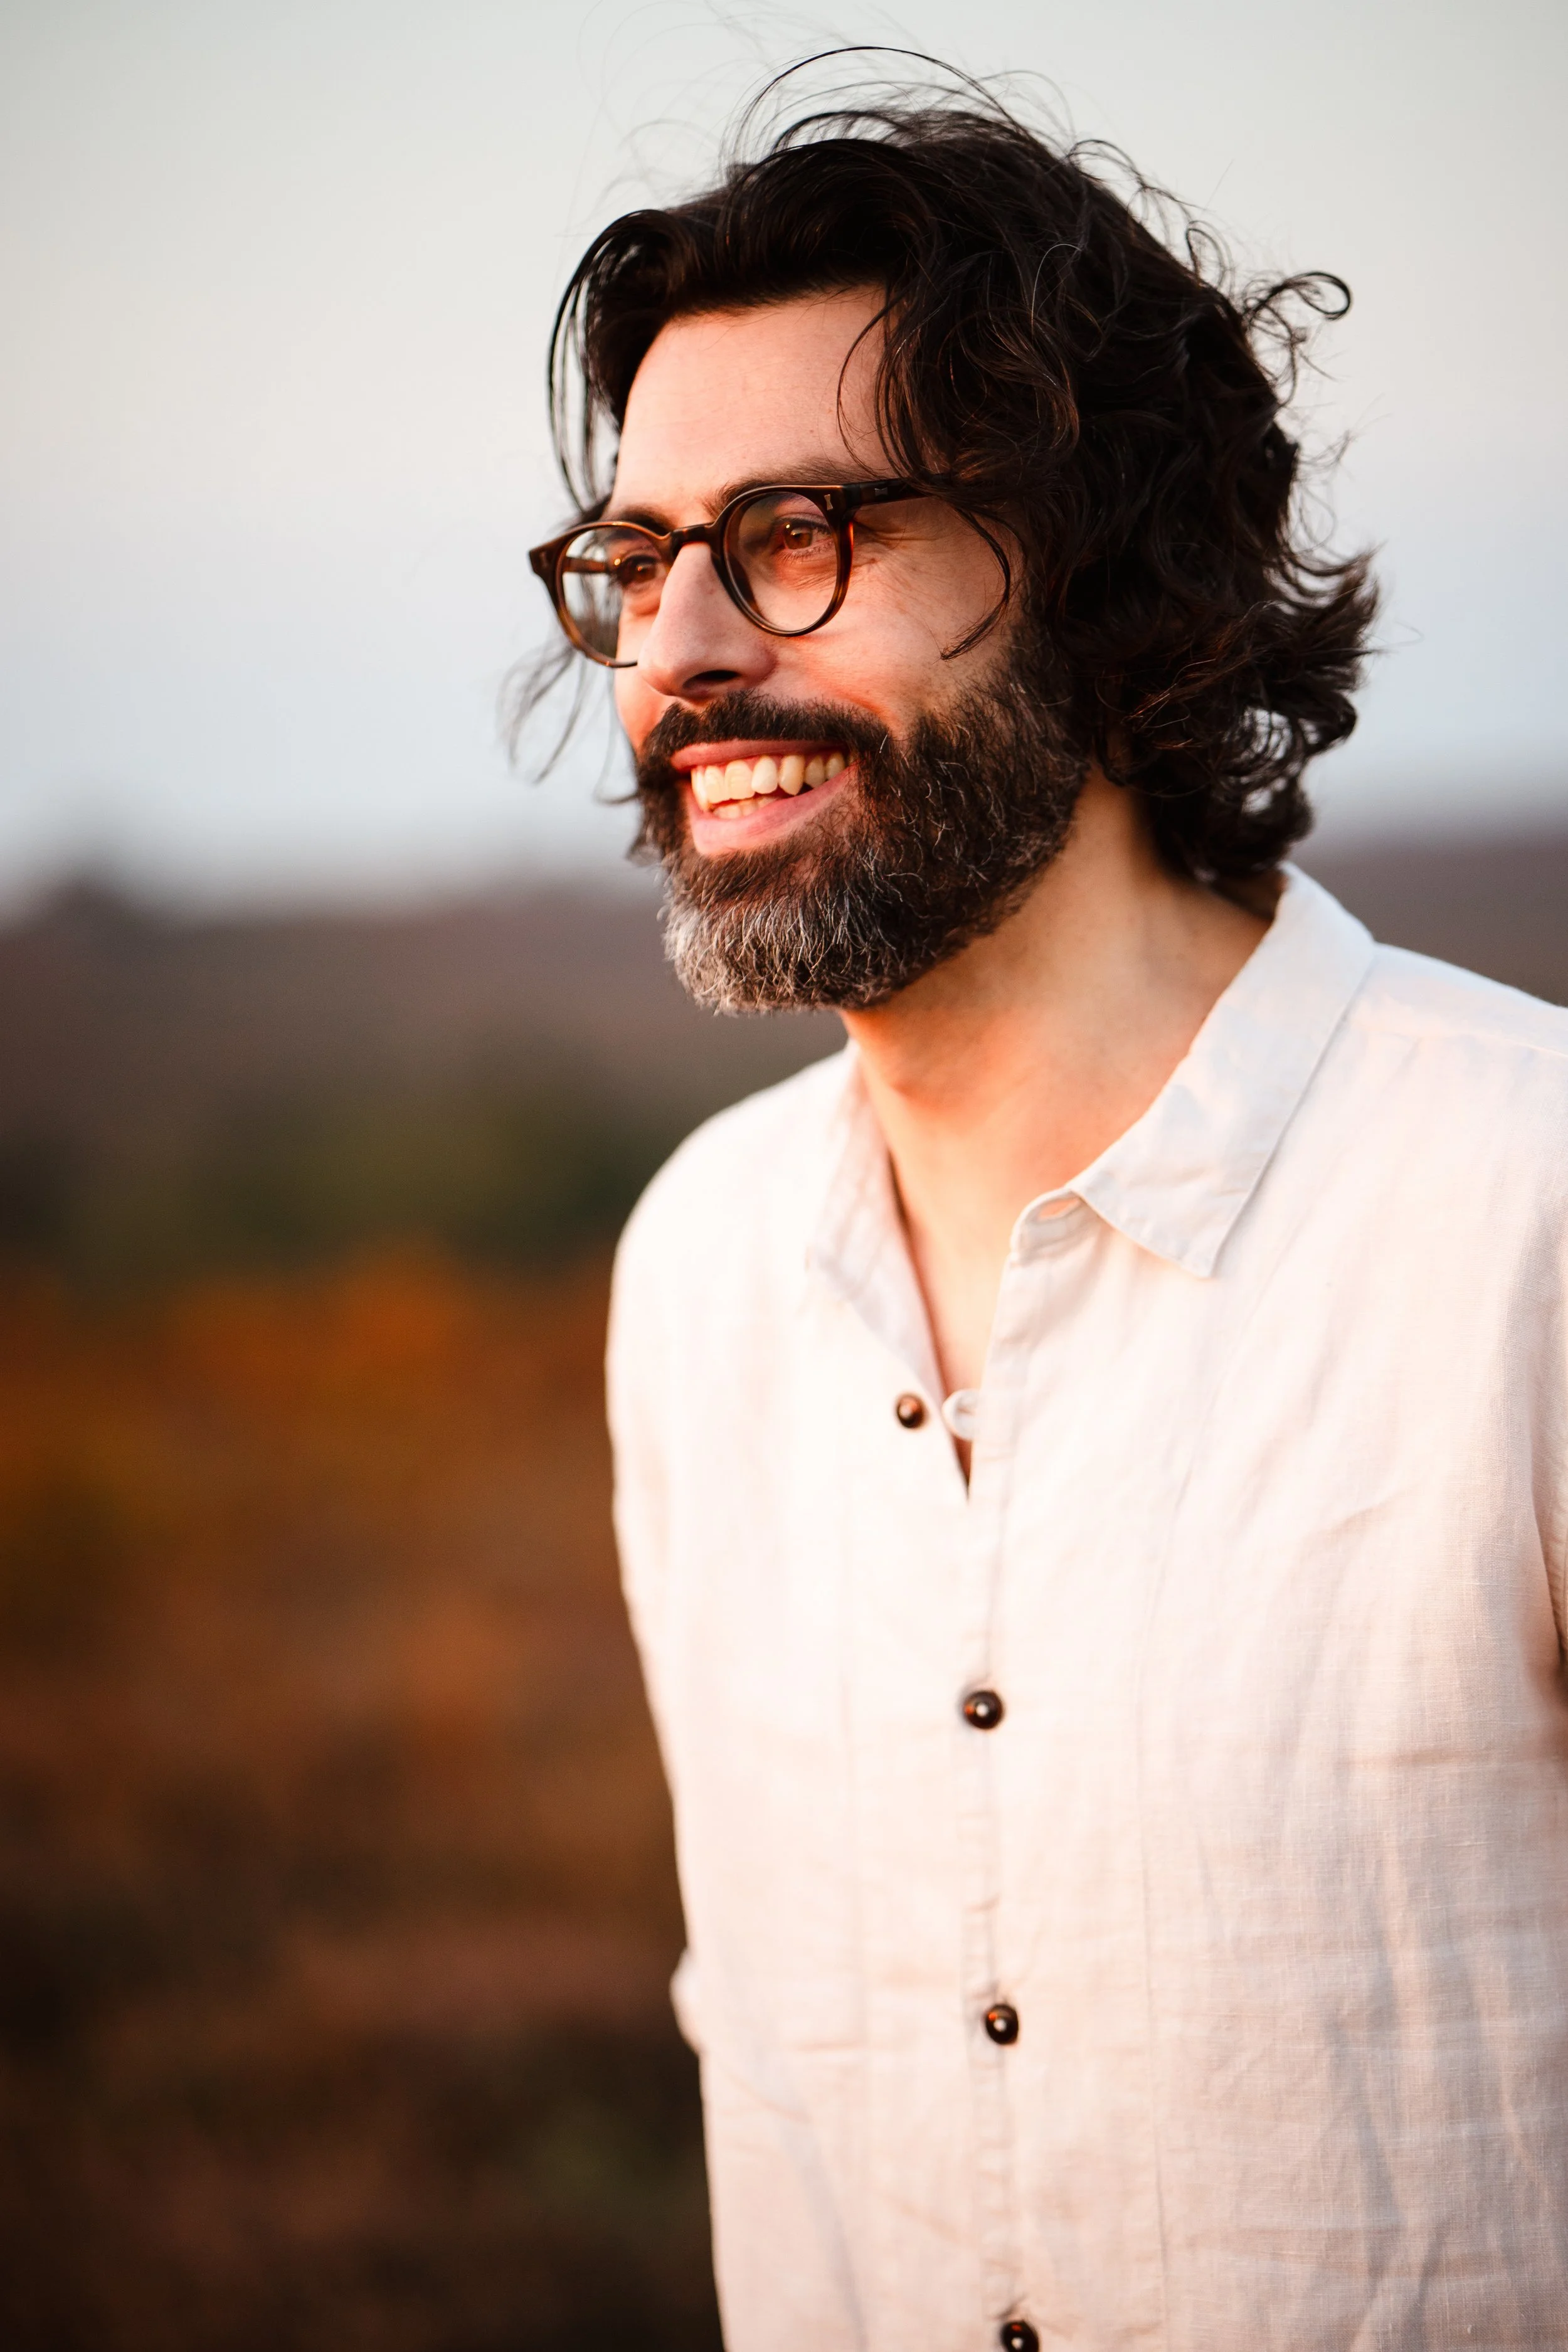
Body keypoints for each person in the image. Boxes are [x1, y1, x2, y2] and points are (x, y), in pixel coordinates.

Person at [524, 78, 1568, 2352]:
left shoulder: (1526, 1219)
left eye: (798, 528)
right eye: (635, 557)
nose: (685, 646)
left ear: (1110, 580)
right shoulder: (698, 1275)